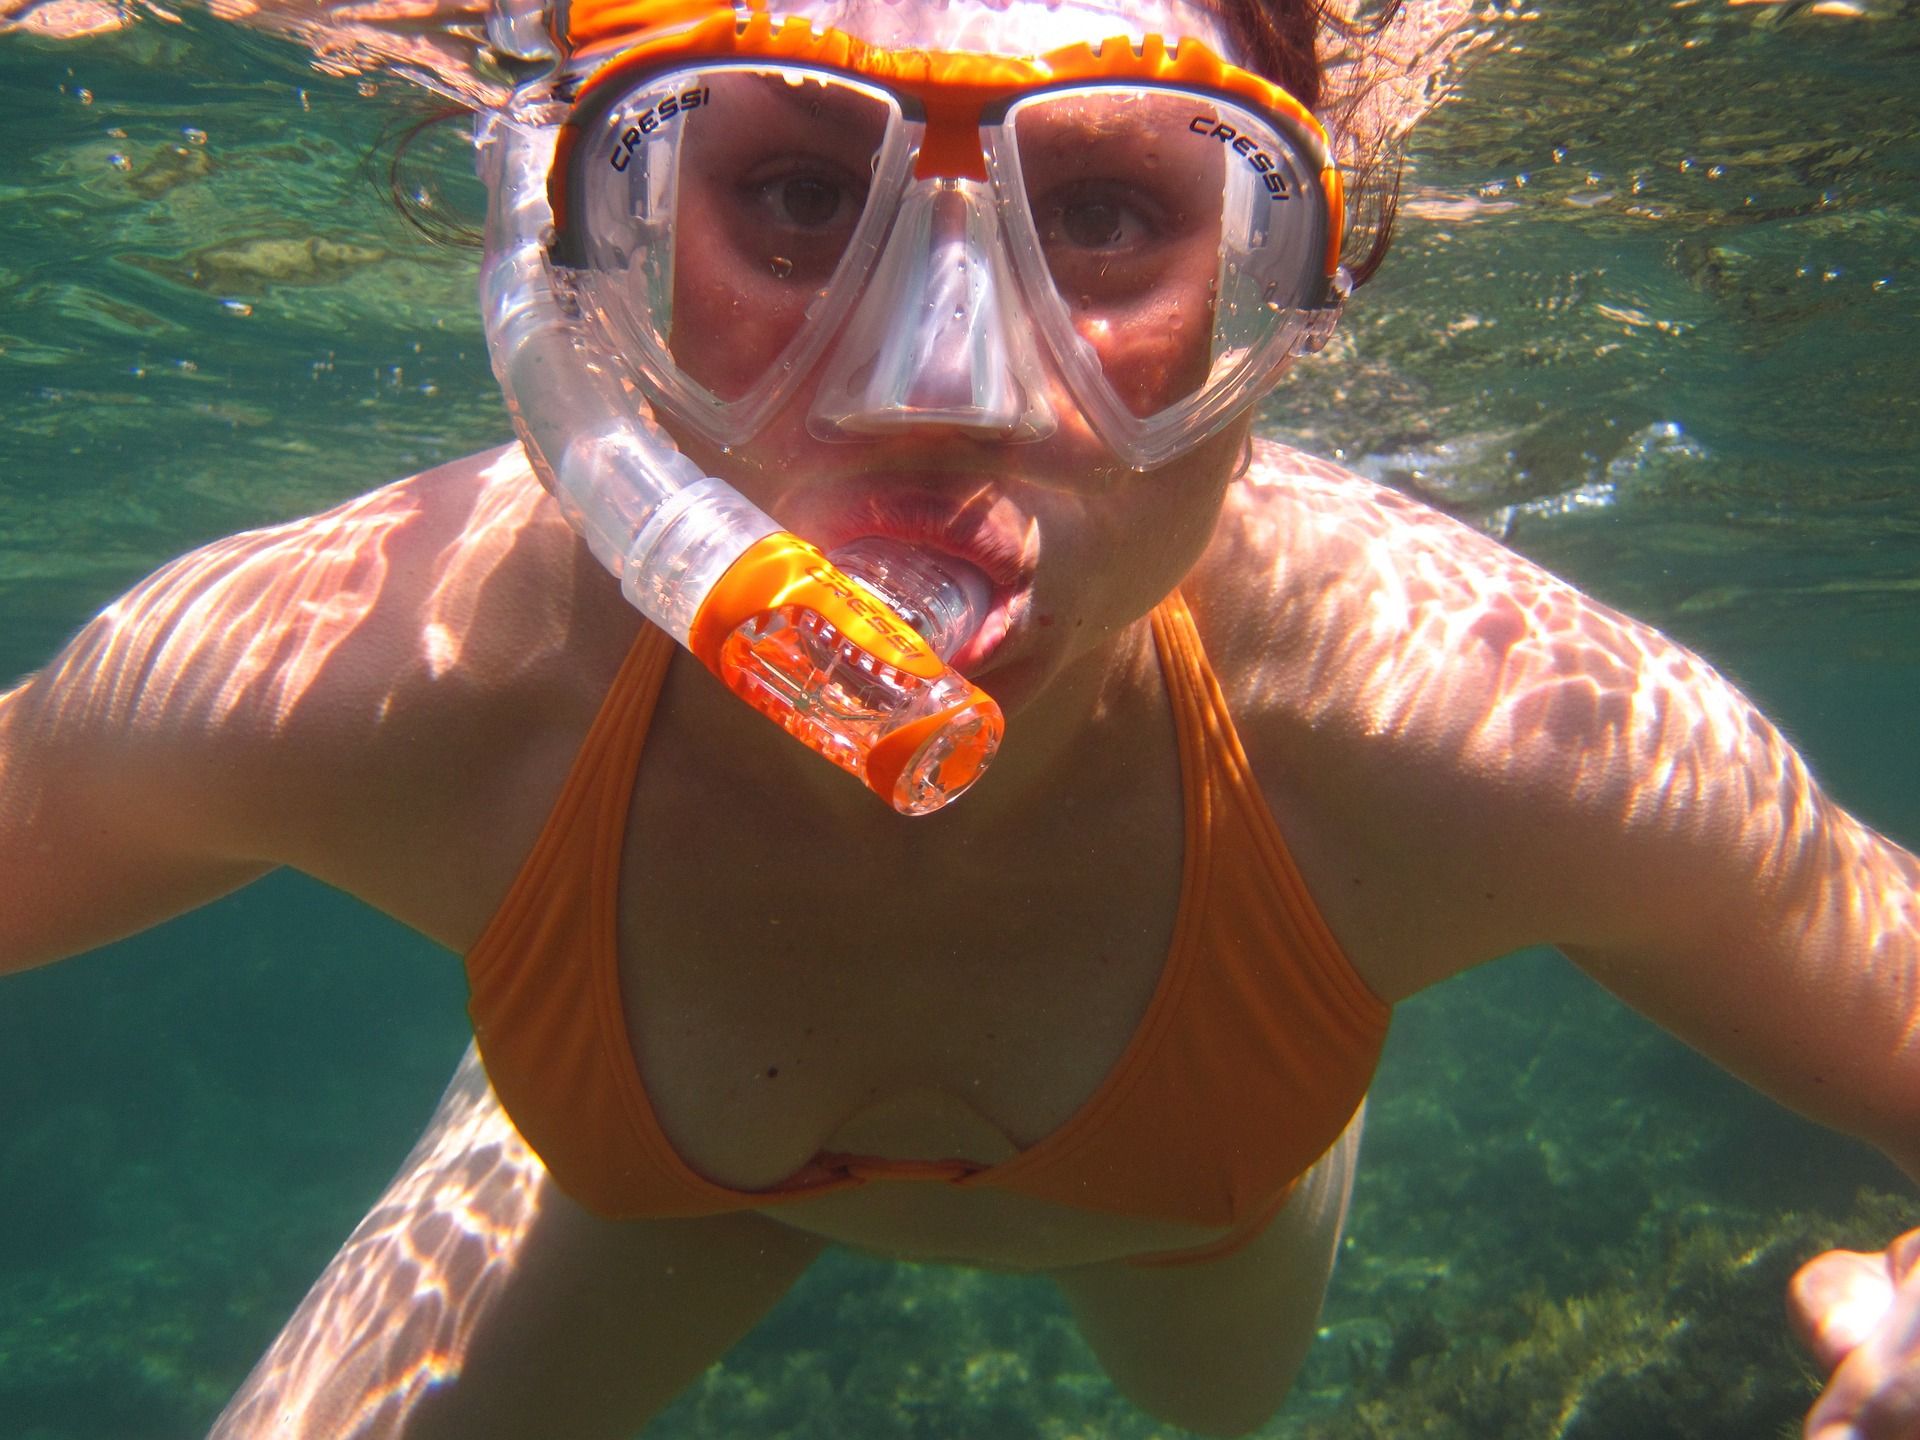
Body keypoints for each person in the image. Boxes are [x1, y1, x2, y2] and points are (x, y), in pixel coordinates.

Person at [1, 0, 1916, 1436]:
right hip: (646, 1177)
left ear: (1289, 294)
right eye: (798, 190)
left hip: (1186, 1220)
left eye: (1099, 210)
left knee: (1207, 1419)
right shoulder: (373, 676)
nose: (942, 385)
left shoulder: (1478, 731)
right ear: (578, 261)